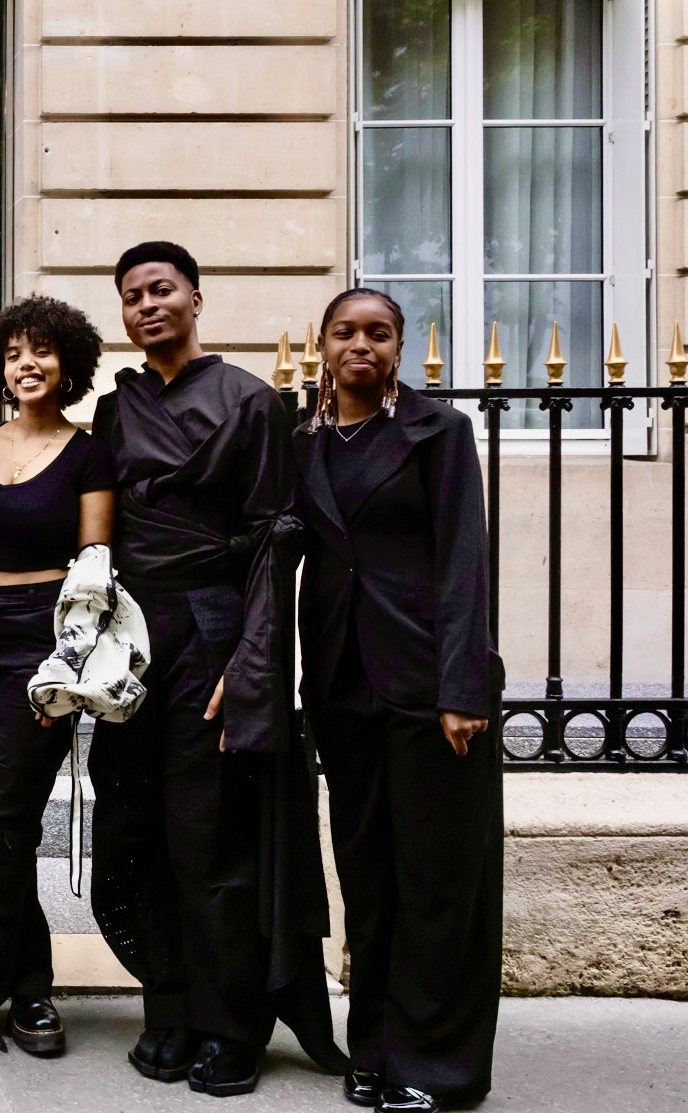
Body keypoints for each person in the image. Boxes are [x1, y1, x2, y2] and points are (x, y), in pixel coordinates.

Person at [87, 242, 346, 1097]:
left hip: (213, 627)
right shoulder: (115, 409)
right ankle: (166, 1008)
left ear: (195, 298)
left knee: (210, 837)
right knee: (138, 830)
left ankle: (229, 1024)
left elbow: (275, 536)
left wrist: (252, 659)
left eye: (161, 289)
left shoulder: (251, 401)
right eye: (131, 295)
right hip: (135, 637)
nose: (146, 305)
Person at [294, 289, 502, 1113]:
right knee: (368, 876)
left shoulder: (436, 432)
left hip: (427, 687)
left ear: (398, 347)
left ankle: (435, 1065)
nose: (361, 344)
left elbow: (463, 562)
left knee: (437, 880)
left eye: (377, 333)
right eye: (344, 331)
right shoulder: (305, 439)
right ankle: (374, 1047)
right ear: (322, 345)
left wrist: (461, 685)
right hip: (342, 688)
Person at [0, 295, 112, 1062]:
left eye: (41, 350)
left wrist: (66, 673)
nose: (26, 364)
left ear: (67, 363)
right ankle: (32, 984)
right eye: (13, 353)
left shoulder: (88, 453)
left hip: (37, 644)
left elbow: (94, 573)